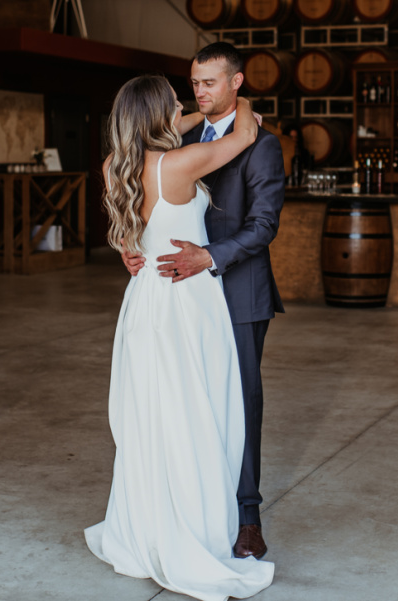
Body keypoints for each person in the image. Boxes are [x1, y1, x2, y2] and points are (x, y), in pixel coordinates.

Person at [84, 74, 274, 599]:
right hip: (186, 301)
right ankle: (192, 529)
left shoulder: (114, 166)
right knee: (194, 413)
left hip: (145, 301)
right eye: (175, 103)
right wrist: (240, 97)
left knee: (152, 416)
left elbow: (131, 234)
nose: (185, 108)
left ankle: (146, 525)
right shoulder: (179, 164)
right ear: (158, 115)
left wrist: (178, 116)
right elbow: (241, 135)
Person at [121, 42, 285, 559]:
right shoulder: (184, 141)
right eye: (194, 84)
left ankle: (247, 519)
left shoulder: (261, 144)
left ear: (237, 82)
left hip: (235, 291)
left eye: (210, 83)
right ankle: (194, 511)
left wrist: (208, 257)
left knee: (240, 406)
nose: (200, 92)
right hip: (178, 294)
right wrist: (135, 249)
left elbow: (263, 227)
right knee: (184, 407)